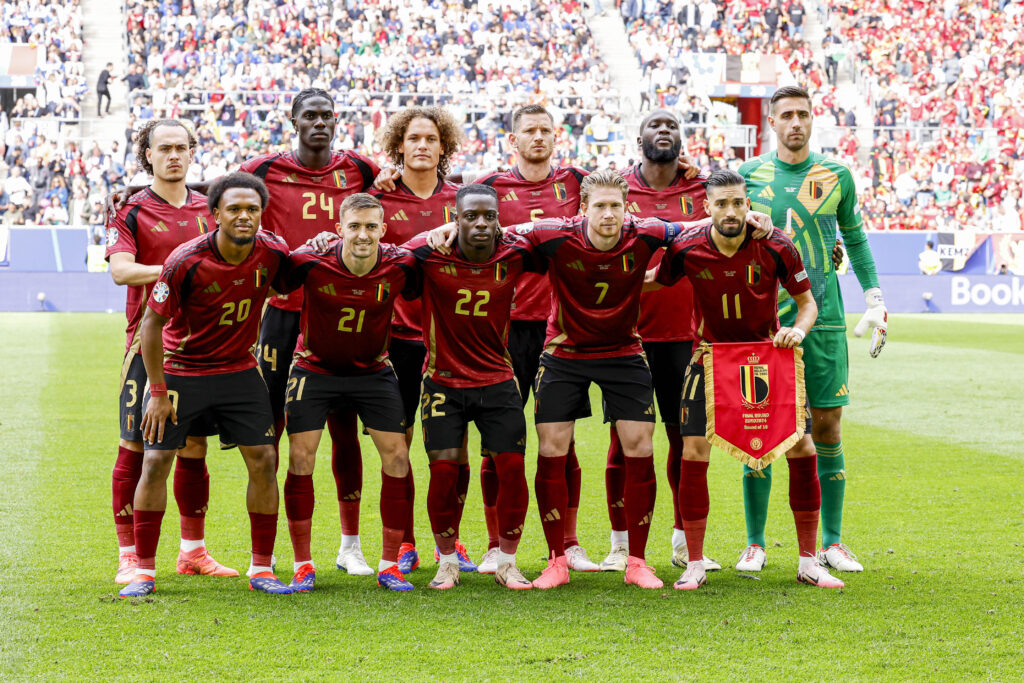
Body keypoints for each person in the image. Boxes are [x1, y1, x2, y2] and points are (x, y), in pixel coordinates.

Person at [500, 170, 696, 590]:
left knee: (641, 446)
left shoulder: (646, 232)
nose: (609, 214)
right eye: (600, 206)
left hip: (623, 352)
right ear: (583, 208)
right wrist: (446, 228)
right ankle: (556, 561)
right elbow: (498, 230)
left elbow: (699, 227)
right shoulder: (554, 233)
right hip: (564, 353)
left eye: (616, 206)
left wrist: (755, 218)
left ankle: (637, 562)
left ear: (627, 208)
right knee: (551, 447)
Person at [651, 169, 844, 591]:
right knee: (693, 449)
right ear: (707, 207)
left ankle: (809, 561)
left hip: (767, 360)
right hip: (709, 358)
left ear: (748, 203)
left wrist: (800, 330)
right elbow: (652, 282)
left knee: (802, 445)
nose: (732, 211)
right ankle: (696, 562)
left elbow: (806, 304)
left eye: (738, 202)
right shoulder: (686, 248)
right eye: (721, 203)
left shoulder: (776, 245)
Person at [119, 172, 293, 597]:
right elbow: (151, 325)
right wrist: (156, 392)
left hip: (238, 370)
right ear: (215, 214)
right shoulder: (185, 260)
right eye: (233, 208)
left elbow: (299, 279)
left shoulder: (273, 253)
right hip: (183, 370)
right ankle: (143, 571)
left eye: (252, 209)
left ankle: (262, 569)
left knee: (264, 460)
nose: (244, 216)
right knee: (157, 462)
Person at [738, 85, 888, 573]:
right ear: (773, 124)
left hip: (822, 320)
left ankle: (833, 541)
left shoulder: (837, 175)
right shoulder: (748, 176)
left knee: (826, 425)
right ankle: (756, 543)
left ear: (811, 120)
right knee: (761, 428)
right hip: (763, 320)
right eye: (787, 115)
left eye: (803, 114)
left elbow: (857, 240)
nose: (796, 122)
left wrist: (875, 298)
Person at [239, 89, 381, 577]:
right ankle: (272, 546)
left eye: (327, 116)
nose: (319, 123)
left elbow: (406, 188)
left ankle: (350, 544)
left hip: (339, 309)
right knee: (272, 430)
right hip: (282, 311)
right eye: (310, 116)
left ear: (336, 120)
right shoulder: (263, 168)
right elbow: (216, 195)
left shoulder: (360, 169)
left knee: (346, 429)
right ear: (293, 120)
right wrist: (135, 189)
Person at [105, 119, 233, 585]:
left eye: (182, 147)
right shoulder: (132, 210)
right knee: (136, 447)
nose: (174, 155)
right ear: (149, 156)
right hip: (149, 344)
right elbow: (121, 271)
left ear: (192, 153)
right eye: (165, 149)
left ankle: (193, 551)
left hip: (204, 346)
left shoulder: (211, 208)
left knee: (194, 446)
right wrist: (180, 267)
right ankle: (128, 554)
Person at [274, 193, 418, 592]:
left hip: (373, 371)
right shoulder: (311, 260)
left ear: (383, 230)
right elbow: (276, 274)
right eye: (354, 226)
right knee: (301, 457)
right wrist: (305, 244)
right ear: (339, 229)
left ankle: (389, 564)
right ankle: (303, 564)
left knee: (398, 456)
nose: (362, 234)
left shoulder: (400, 262)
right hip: (314, 369)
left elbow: (431, 253)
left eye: (371, 226)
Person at [475, 104, 596, 574]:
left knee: (559, 441)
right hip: (502, 328)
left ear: (556, 136)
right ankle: (492, 544)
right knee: (497, 442)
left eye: (546, 130)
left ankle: (567, 544)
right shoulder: (489, 186)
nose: (539, 138)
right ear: (513, 140)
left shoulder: (576, 182)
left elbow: (624, 191)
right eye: (530, 131)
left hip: (559, 329)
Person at [601, 109, 721, 573]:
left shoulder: (701, 189)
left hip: (685, 337)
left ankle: (680, 539)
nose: (664, 131)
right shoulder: (618, 193)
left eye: (672, 126)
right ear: (639, 139)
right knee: (622, 442)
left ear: (682, 141)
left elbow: (734, 209)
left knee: (683, 437)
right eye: (655, 125)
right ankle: (618, 544)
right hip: (627, 335)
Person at [409, 185, 538, 590]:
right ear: (455, 217)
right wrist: (435, 231)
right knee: (444, 474)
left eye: (488, 216)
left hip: (498, 380)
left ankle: (507, 561)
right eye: (469, 216)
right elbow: (389, 250)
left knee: (513, 469)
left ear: (498, 218)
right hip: (443, 382)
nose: (480, 223)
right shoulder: (431, 253)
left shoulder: (514, 253)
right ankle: (446, 561)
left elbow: (553, 233)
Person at [370, 106, 466, 575]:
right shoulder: (379, 201)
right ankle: (404, 540)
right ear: (399, 147)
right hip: (399, 337)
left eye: (431, 138)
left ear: (443, 146)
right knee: (401, 443)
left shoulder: (465, 199)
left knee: (453, 445)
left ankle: (453, 540)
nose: (423, 145)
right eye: (414, 139)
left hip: (453, 338)